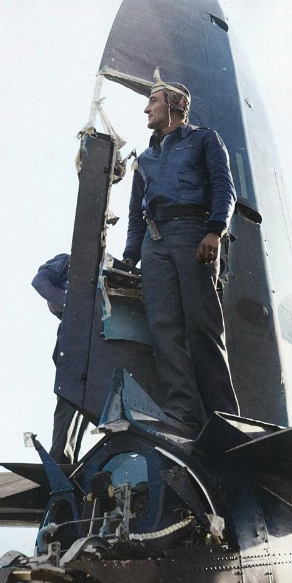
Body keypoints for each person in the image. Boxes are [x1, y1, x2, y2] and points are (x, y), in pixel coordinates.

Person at [121, 75, 239, 432]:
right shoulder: (144, 159)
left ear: (176, 105)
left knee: (202, 325)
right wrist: (130, 256)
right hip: (154, 241)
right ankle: (184, 410)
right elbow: (134, 212)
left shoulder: (204, 140)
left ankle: (224, 416)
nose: (146, 107)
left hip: (194, 234)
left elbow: (224, 187)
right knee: (163, 327)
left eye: (152, 101)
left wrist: (214, 231)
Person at [32, 253, 85, 463]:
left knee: (82, 405)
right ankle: (60, 460)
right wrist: (69, 306)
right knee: (69, 400)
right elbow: (39, 281)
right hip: (71, 333)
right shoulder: (68, 260)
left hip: (91, 334)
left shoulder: (100, 271)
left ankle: (67, 458)